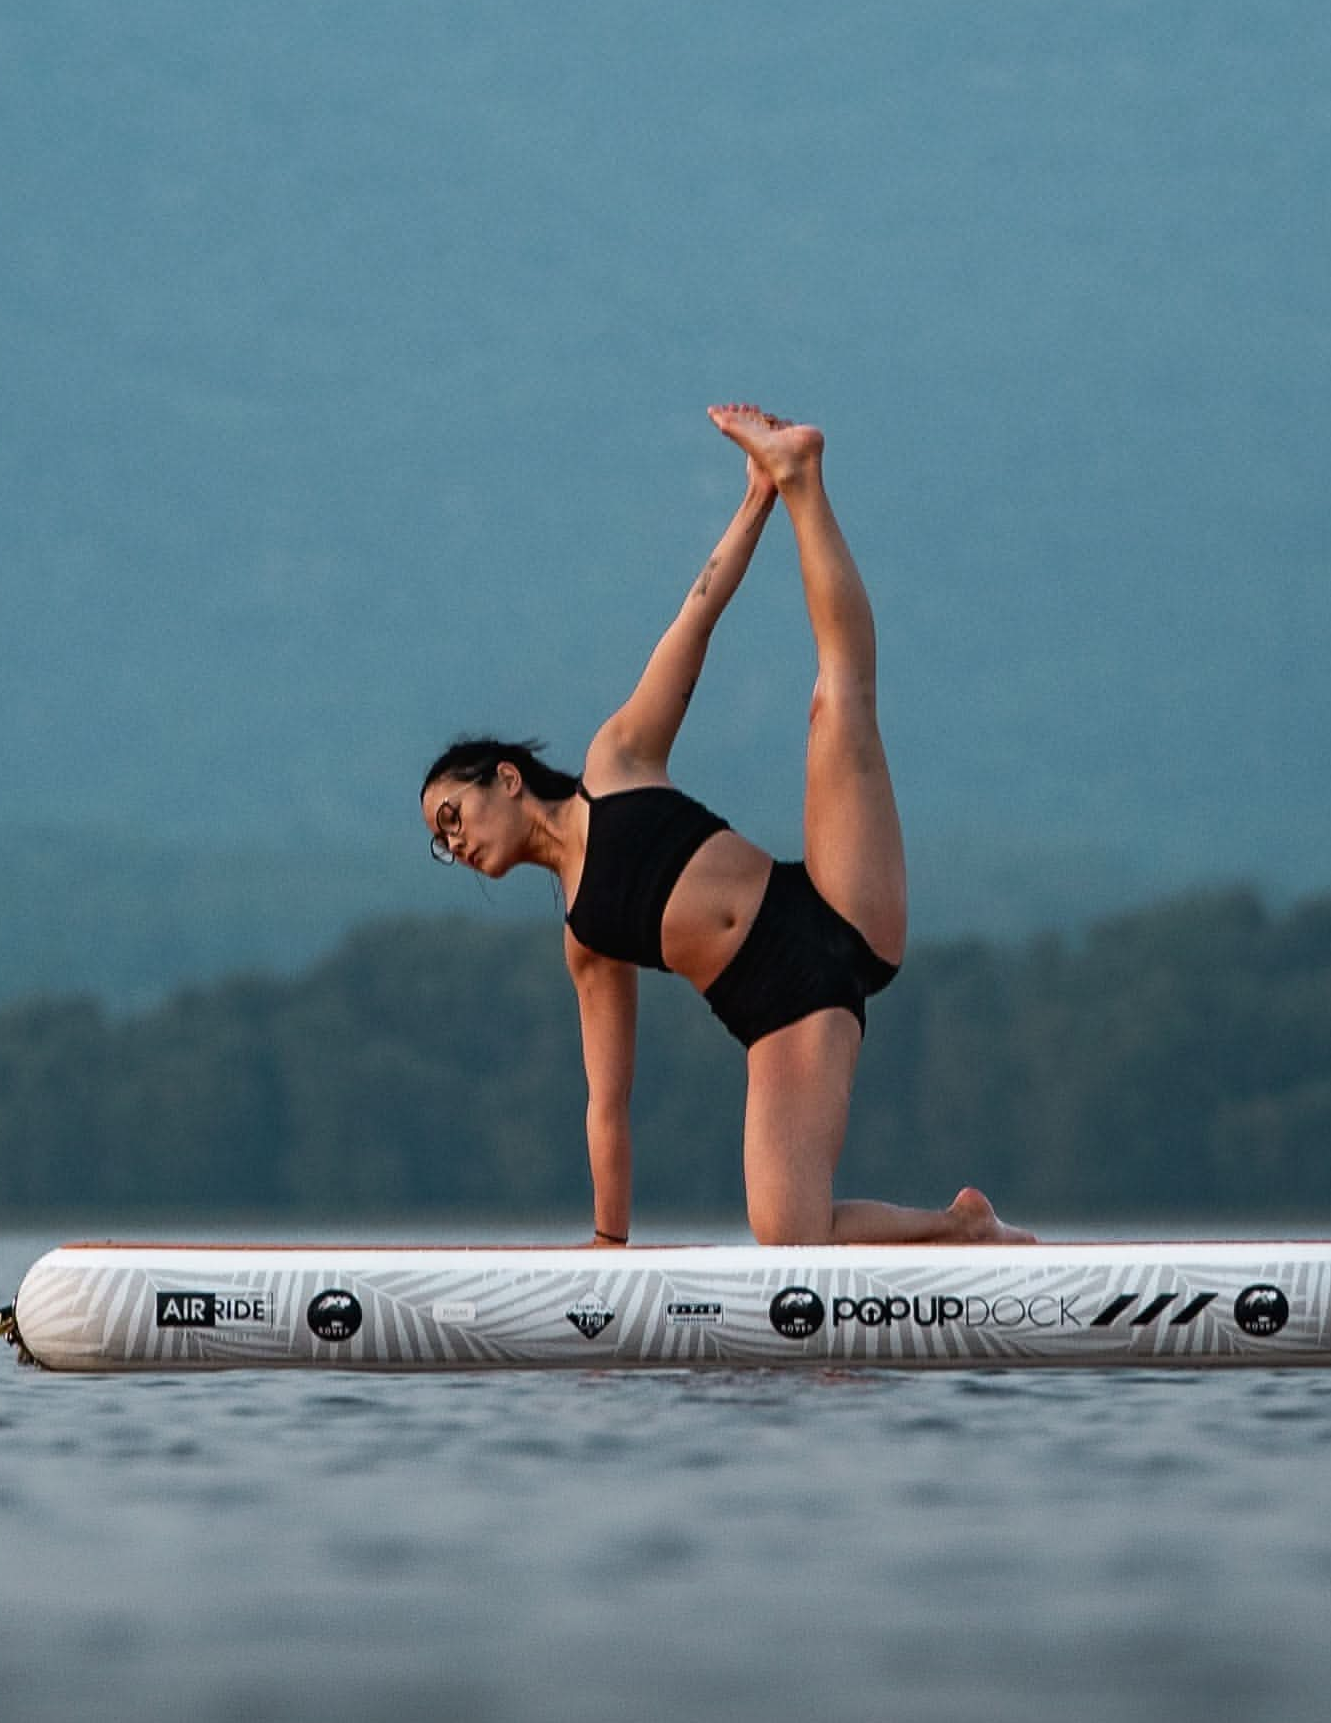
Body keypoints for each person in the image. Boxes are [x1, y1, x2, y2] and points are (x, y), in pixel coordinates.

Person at [421, 405, 1032, 1251]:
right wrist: (607, 1242)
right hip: (781, 1014)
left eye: (452, 814)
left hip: (834, 905)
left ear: (508, 778)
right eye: (439, 842)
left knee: (836, 702)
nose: (452, 841)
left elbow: (695, 616)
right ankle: (964, 1229)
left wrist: (759, 497)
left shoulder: (618, 761)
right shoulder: (583, 938)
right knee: (786, 1233)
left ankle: (803, 476)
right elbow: (607, 1101)